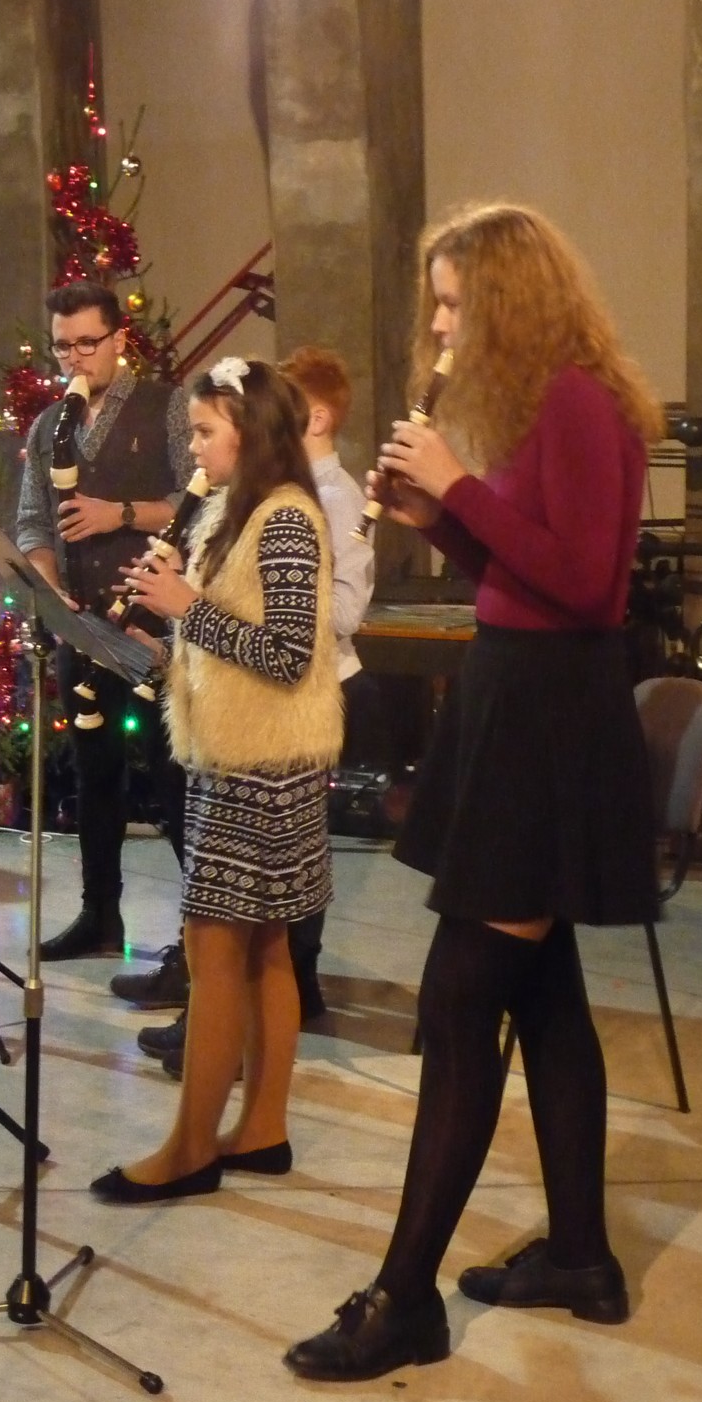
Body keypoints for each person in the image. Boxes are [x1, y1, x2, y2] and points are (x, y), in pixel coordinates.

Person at [284, 203, 663, 1380]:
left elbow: (588, 588)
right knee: (542, 994)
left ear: (507, 301)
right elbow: (521, 574)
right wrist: (442, 522)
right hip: (524, 699)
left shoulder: (580, 402)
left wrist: (459, 484)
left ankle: (403, 1302)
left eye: (454, 304)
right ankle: (582, 1258)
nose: (441, 327)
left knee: (458, 1004)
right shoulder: (552, 405)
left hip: (548, 718)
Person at [90, 356, 343, 1203]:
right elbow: (229, 639)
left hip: (261, 769)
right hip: (235, 756)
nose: (193, 448)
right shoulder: (235, 514)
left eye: (204, 432)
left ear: (252, 432)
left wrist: (185, 608)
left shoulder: (286, 519)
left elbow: (286, 654)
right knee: (264, 949)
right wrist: (163, 645)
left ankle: (191, 1148)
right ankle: (262, 1129)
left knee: (215, 951)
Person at [15, 282, 191, 961]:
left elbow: (196, 501)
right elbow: (33, 521)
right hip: (83, 626)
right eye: (63, 346)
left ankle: (200, 934)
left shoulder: (167, 406)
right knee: (94, 774)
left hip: (155, 623)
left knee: (173, 776)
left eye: (88, 343)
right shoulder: (48, 426)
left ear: (120, 338)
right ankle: (99, 914)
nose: (75, 358)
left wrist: (118, 514)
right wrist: (49, 589)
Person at [278, 346, 377, 1019]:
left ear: (315, 418)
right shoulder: (283, 490)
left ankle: (298, 980)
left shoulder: (338, 499)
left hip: (321, 685)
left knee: (299, 841)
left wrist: (269, 598)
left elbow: (344, 613)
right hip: (279, 683)